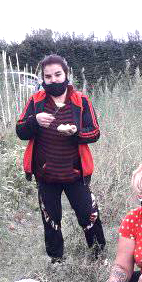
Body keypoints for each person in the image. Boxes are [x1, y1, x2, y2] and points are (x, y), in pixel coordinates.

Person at [15, 54, 105, 262]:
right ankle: (56, 260)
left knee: (88, 214)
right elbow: (20, 131)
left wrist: (76, 132)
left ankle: (99, 257)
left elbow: (95, 132)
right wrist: (34, 121)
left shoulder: (81, 100)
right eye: (48, 77)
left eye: (58, 74)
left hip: (75, 172)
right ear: (43, 79)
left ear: (66, 74)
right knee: (51, 219)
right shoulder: (35, 101)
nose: (53, 80)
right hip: (45, 173)